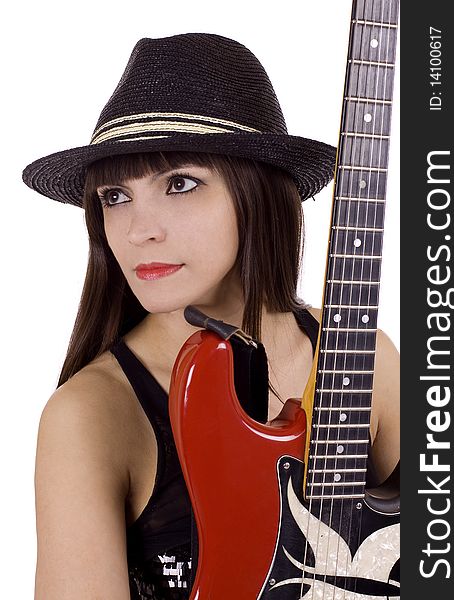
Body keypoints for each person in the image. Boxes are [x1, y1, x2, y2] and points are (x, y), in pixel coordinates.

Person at [23, 33, 400, 600]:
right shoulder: (91, 415)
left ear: (260, 193)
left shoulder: (362, 354)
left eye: (180, 183)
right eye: (114, 197)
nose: (138, 230)